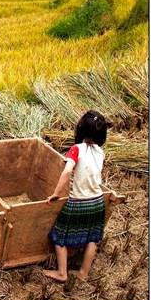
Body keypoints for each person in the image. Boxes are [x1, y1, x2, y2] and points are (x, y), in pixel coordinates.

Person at [44, 110, 109, 282]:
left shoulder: (76, 150)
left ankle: (62, 273)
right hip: (97, 202)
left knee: (59, 236)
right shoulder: (100, 152)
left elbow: (67, 172)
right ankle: (83, 273)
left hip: (78, 202)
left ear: (80, 130)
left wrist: (56, 194)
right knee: (93, 239)